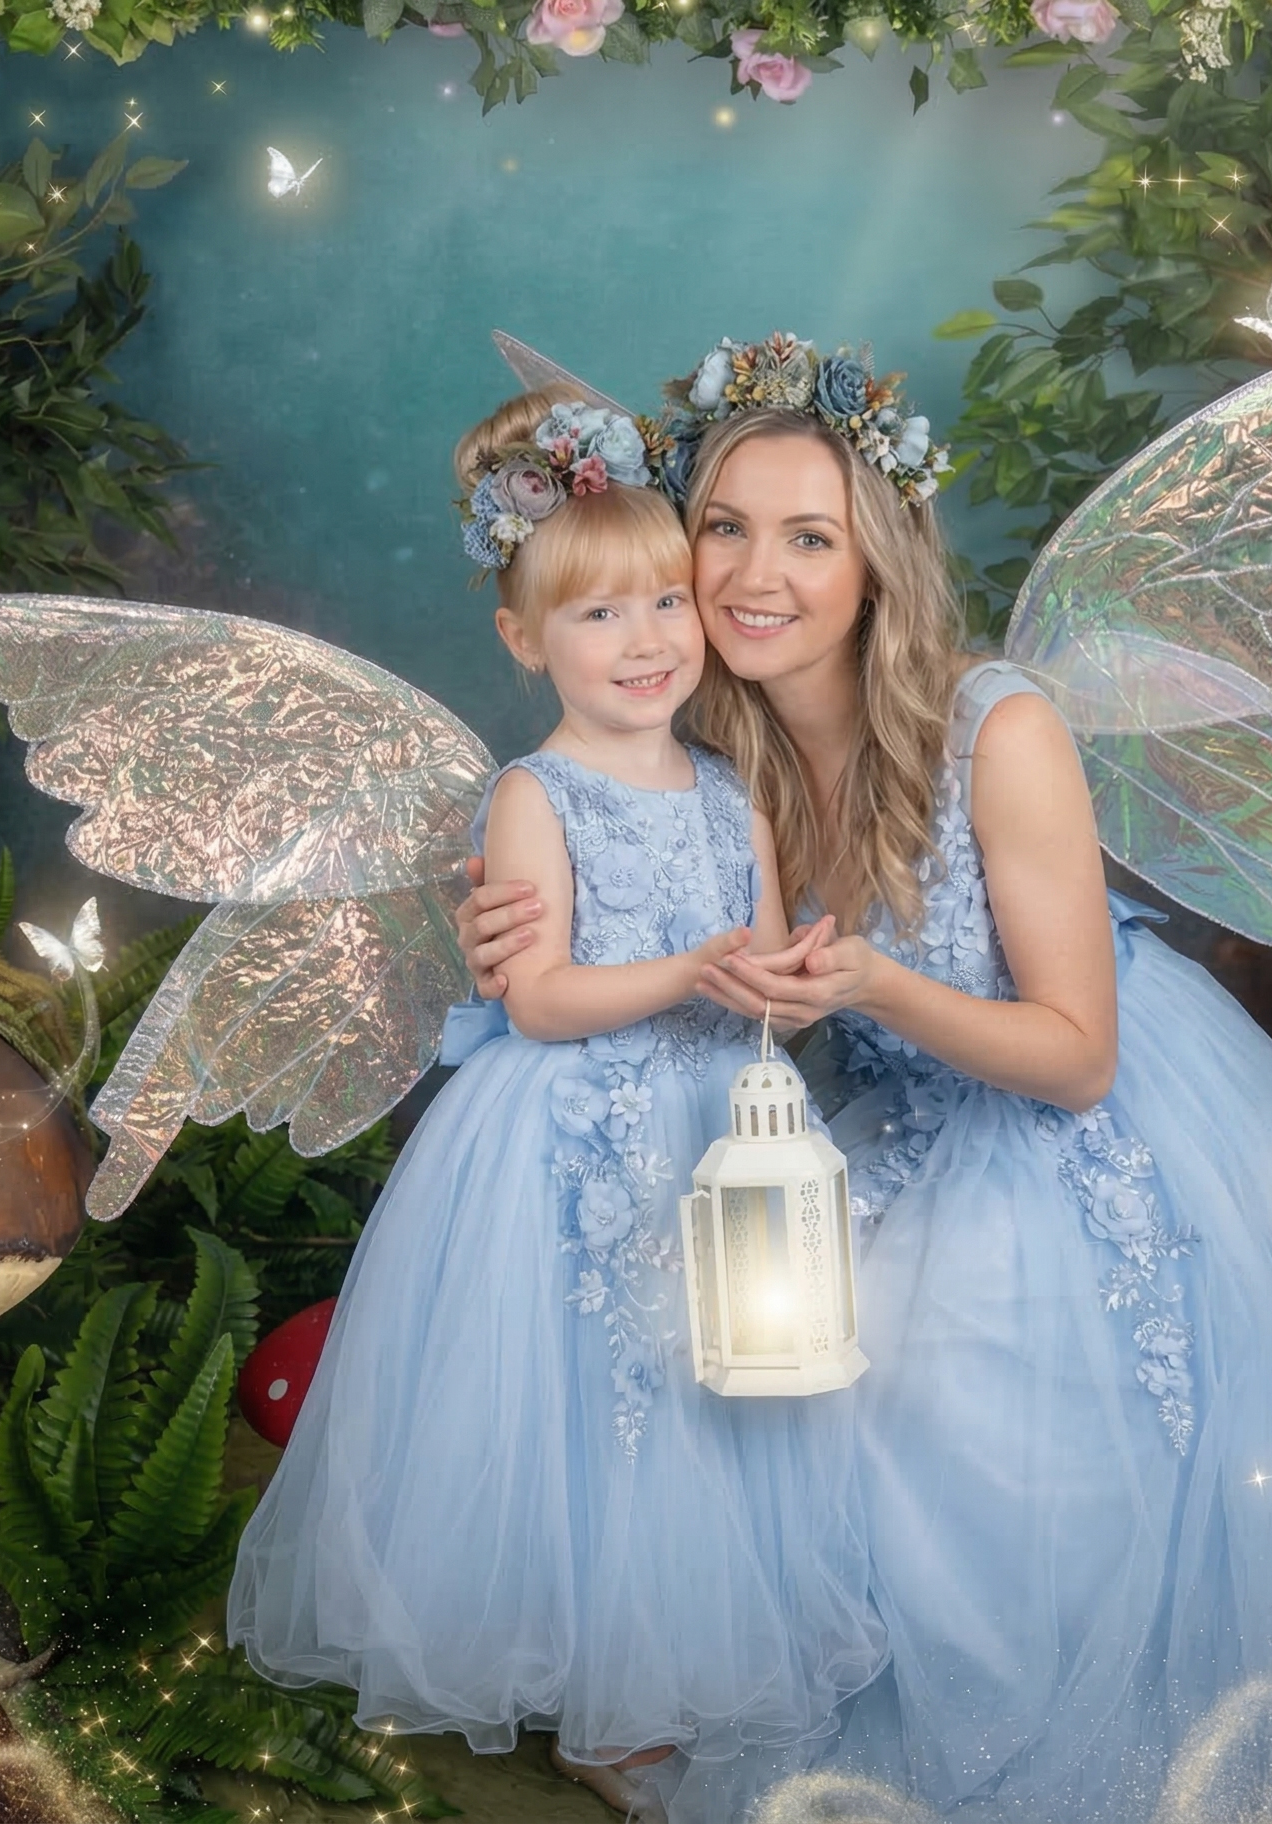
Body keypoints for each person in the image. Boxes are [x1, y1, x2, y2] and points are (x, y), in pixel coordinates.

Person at [454, 339, 1272, 1824]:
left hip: (1072, 1130)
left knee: (919, 1391)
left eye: (810, 537)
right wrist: (492, 909)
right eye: (726, 530)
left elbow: (1074, 1057)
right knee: (726, 1335)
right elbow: (577, 861)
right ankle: (681, 1672)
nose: (757, 572)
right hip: (893, 1131)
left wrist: (873, 982)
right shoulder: (697, 748)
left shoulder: (994, 725)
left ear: (875, 562)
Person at [226, 388, 885, 1818]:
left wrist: (782, 976)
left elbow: (760, 964)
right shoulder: (538, 793)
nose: (644, 640)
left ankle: (697, 1655)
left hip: (718, 1122)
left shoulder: (731, 790)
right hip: (576, 1133)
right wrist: (687, 970)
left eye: (664, 603)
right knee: (588, 1397)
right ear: (524, 640)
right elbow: (538, 1000)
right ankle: (601, 1700)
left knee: (717, 1391)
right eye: (596, 618)